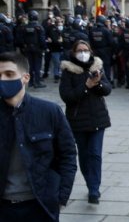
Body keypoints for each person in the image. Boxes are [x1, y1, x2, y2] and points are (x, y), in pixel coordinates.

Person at [0, 51, 77, 221]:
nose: (3, 79)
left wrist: (61, 197)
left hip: (40, 204)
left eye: (9, 74)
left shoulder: (49, 111)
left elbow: (67, 155)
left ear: (25, 77)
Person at [59, 40, 112, 204]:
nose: (83, 53)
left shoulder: (97, 66)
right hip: (78, 121)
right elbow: (67, 96)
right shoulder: (68, 71)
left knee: (95, 154)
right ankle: (90, 183)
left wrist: (97, 84)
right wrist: (86, 86)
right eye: (80, 50)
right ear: (74, 53)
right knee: (83, 155)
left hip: (98, 119)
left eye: (86, 50)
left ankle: (94, 189)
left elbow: (107, 89)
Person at [15, 10, 47, 88]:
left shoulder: (24, 27)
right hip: (37, 48)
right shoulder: (39, 27)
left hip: (27, 48)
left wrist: (23, 46)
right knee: (37, 66)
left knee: (30, 65)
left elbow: (20, 39)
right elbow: (42, 39)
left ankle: (31, 82)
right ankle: (37, 82)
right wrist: (44, 47)